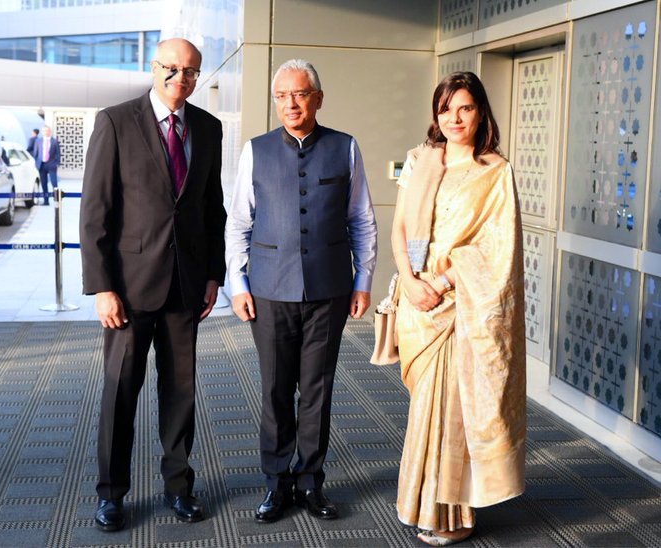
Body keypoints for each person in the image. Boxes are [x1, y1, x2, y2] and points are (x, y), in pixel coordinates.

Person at [79, 38, 226, 532]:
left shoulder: (208, 127)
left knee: (181, 392)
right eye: (171, 68)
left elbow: (211, 208)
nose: (180, 78)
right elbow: (95, 212)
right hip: (128, 288)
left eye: (190, 71)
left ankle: (179, 487)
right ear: (153, 67)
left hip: (186, 286)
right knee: (120, 393)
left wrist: (214, 274)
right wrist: (102, 287)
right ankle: (111, 493)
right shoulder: (116, 121)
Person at [225, 59, 378, 524]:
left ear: (318, 98)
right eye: (282, 96)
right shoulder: (255, 150)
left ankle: (311, 482)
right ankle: (276, 484)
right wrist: (238, 283)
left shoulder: (345, 147)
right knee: (275, 390)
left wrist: (363, 280)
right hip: (269, 291)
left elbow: (361, 219)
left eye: (300, 93)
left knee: (317, 391)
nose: (290, 104)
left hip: (329, 291)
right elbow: (239, 222)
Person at [390, 71, 526, 546]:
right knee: (424, 412)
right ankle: (423, 504)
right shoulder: (420, 160)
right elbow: (400, 228)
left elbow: (496, 249)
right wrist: (410, 282)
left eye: (465, 107)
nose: (454, 118)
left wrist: (443, 281)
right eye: (445, 108)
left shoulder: (495, 172)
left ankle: (453, 515)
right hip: (419, 303)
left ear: (481, 112)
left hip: (461, 307)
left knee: (452, 413)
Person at [32, 125, 61, 204]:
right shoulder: (38, 141)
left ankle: (56, 200)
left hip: (52, 164)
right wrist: (36, 163)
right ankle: (46, 201)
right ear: (42, 132)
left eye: (47, 131)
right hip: (42, 165)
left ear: (50, 132)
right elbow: (35, 153)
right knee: (44, 183)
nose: (46, 132)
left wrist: (57, 163)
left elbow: (58, 153)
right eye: (44, 131)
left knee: (54, 183)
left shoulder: (54, 141)